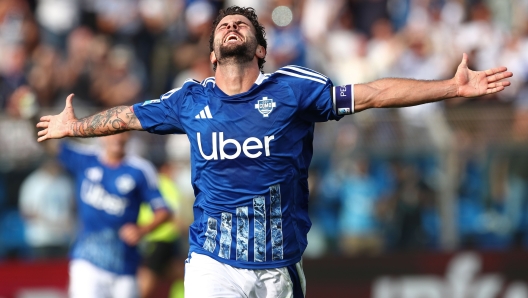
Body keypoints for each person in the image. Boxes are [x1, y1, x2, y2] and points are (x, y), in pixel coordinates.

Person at [36, 6, 513, 298]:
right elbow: (125, 117)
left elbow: (370, 94)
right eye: (223, 24)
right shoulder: (190, 100)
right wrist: (75, 126)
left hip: (278, 269)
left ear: (261, 50)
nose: (230, 26)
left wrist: (450, 87)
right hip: (212, 262)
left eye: (241, 24)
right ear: (211, 54)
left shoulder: (293, 89)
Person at [54, 133, 171, 298]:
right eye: (111, 132)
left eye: (122, 132)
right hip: (87, 259)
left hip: (124, 264)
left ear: (128, 136)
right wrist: (32, 115)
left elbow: (164, 211)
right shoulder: (86, 159)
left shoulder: (140, 169)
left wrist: (142, 230)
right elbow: (50, 145)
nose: (117, 137)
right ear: (101, 136)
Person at [136, 159, 185, 298]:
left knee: (180, 273)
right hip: (161, 239)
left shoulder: (148, 183)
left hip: (149, 238)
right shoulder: (167, 185)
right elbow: (170, 214)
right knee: (147, 281)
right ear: (165, 168)